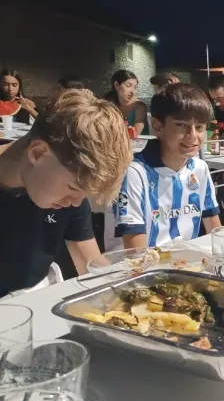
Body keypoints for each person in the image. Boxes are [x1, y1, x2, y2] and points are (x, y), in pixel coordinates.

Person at [0, 89, 132, 298]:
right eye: (73, 188)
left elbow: (91, 264)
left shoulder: (69, 197)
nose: (75, 203)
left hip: (34, 296)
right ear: (38, 153)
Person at [111, 84, 221, 249]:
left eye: (199, 127)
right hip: (142, 262)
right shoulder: (134, 173)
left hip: (187, 260)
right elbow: (135, 252)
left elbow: (214, 227)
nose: (192, 136)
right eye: (181, 125)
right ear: (157, 126)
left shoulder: (200, 168)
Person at [106, 70, 147, 135]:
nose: (133, 92)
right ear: (116, 85)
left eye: (135, 87)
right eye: (128, 86)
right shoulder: (108, 103)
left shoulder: (139, 106)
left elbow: (135, 133)